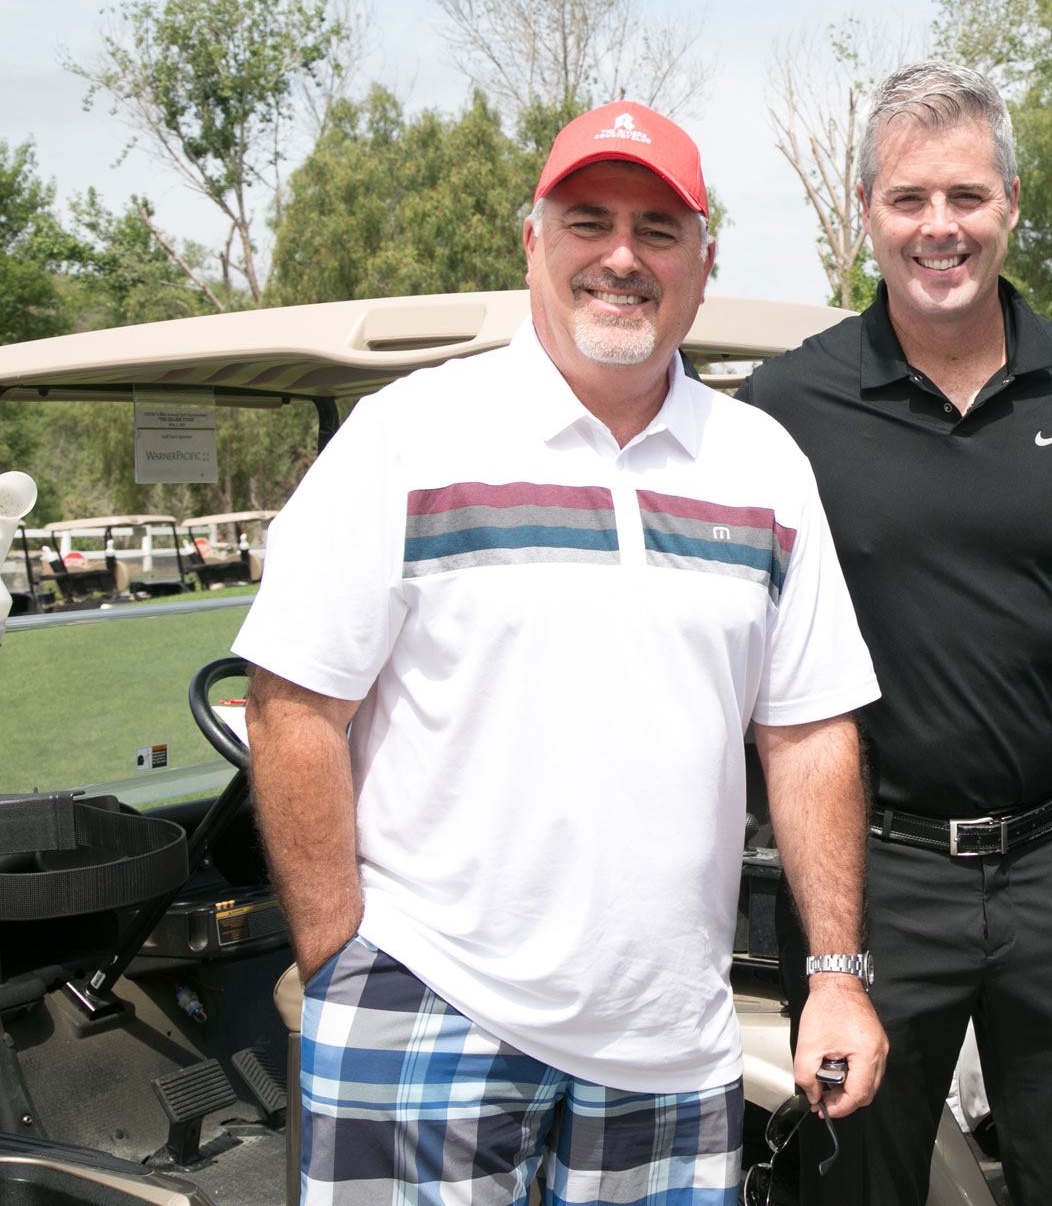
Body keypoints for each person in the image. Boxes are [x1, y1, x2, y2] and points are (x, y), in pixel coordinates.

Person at [236, 100, 887, 1206]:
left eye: (658, 229)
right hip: (426, 1005)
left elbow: (810, 732)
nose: (622, 257)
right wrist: (338, 957)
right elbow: (294, 704)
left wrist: (834, 974)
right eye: (589, 222)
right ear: (531, 242)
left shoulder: (763, 464)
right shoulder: (406, 435)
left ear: (703, 264)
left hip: (672, 1036)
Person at [734, 60, 1052, 1205]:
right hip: (870, 878)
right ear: (866, 211)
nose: (937, 226)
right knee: (856, 1188)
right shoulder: (786, 409)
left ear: (1011, 204)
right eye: (908, 198)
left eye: (966, 195)